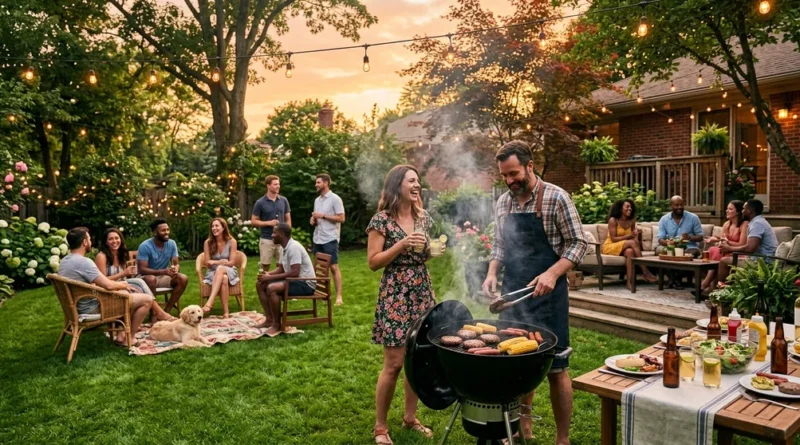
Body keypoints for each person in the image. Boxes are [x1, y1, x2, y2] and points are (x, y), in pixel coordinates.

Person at [481, 141, 587, 445]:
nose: (510, 180)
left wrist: (553, 273)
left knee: (556, 368)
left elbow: (578, 243)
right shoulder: (504, 202)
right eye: (504, 176)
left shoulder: (556, 197)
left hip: (548, 298)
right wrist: (491, 273)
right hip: (513, 292)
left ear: (530, 165)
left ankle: (562, 438)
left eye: (514, 173)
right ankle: (520, 427)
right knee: (517, 365)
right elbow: (500, 245)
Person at [366, 165, 436, 445]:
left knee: (417, 360)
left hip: (421, 290)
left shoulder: (423, 217)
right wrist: (403, 244)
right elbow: (373, 262)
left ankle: (410, 417)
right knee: (394, 364)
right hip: (396, 293)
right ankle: (380, 428)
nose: (416, 184)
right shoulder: (381, 220)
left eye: (418, 180)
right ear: (398, 185)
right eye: (411, 180)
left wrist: (430, 250)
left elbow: (424, 253)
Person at [59, 227, 174, 346]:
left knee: (129, 291)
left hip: (77, 305)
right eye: (89, 239)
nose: (91, 242)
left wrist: (123, 284)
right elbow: (107, 285)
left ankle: (121, 334)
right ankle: (130, 337)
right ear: (84, 242)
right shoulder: (84, 262)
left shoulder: (64, 261)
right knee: (146, 300)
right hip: (93, 307)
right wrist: (122, 284)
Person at [254, 223, 316, 336]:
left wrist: (271, 278)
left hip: (305, 284)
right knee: (260, 284)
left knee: (272, 288)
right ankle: (269, 319)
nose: (272, 235)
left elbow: (295, 272)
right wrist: (268, 274)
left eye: (274, 233)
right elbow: (282, 268)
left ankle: (277, 324)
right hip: (295, 281)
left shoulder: (294, 248)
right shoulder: (284, 247)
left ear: (281, 234)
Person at [714, 199, 778, 287]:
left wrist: (730, 248)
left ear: (749, 210)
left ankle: (720, 291)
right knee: (725, 259)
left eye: (743, 209)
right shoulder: (756, 222)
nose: (742, 211)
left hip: (763, 261)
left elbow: (750, 248)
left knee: (724, 261)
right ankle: (724, 290)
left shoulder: (757, 224)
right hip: (758, 258)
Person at [601, 199, 658, 290]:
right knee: (631, 243)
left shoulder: (631, 220)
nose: (630, 209)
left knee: (630, 252)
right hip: (610, 246)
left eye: (631, 207)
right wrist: (630, 236)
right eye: (627, 207)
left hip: (624, 246)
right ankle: (645, 271)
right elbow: (613, 239)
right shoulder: (613, 220)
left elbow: (633, 238)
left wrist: (636, 236)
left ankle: (629, 283)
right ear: (620, 209)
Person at [137, 219, 188, 312]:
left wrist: (175, 269)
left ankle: (166, 311)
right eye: (163, 230)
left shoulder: (172, 244)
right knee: (151, 279)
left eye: (168, 229)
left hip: (163, 276)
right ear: (155, 233)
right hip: (145, 278)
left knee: (182, 278)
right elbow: (142, 269)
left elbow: (176, 263)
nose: (166, 232)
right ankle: (154, 313)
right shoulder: (145, 246)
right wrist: (163, 271)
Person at [698, 201, 748, 294]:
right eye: (727, 208)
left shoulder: (744, 224)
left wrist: (726, 243)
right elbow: (722, 240)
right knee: (714, 249)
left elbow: (742, 243)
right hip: (726, 251)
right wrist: (716, 240)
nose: (727, 211)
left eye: (730, 209)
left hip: (738, 252)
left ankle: (705, 284)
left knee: (717, 251)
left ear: (738, 212)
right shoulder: (726, 224)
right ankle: (711, 286)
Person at [310, 173, 345, 306]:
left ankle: (339, 297)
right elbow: (316, 218)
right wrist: (313, 220)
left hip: (330, 238)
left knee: (333, 267)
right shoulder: (317, 200)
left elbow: (341, 218)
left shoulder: (335, 199)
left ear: (326, 183)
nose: (316, 184)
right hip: (318, 237)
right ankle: (322, 295)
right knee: (320, 268)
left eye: (318, 182)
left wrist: (323, 216)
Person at [656, 195, 704, 289]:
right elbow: (660, 238)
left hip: (689, 247)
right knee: (659, 250)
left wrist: (689, 237)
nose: (679, 207)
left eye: (681, 204)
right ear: (671, 206)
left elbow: (700, 236)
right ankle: (676, 280)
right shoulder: (664, 219)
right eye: (676, 205)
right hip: (671, 247)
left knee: (689, 253)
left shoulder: (693, 218)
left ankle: (673, 280)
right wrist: (668, 243)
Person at [95, 228, 153, 296]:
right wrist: (123, 273)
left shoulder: (121, 254)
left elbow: (125, 277)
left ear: (121, 240)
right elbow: (102, 281)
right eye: (110, 239)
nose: (114, 241)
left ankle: (150, 302)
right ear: (106, 242)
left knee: (140, 283)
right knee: (139, 285)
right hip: (108, 288)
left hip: (122, 284)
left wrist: (130, 273)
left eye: (117, 238)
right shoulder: (101, 256)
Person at [251, 175, 291, 270]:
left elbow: (288, 219)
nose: (278, 186)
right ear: (268, 186)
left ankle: (280, 285)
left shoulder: (284, 200)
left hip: (282, 239)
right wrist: (269, 223)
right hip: (267, 239)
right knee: (265, 267)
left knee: (282, 266)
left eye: (279, 184)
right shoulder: (260, 202)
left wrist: (288, 234)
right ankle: (264, 284)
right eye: (275, 184)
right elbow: (253, 221)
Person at [201, 217, 239, 318]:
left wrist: (217, 263)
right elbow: (207, 263)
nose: (214, 228)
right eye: (212, 226)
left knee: (221, 269)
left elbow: (231, 263)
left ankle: (210, 302)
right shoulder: (208, 242)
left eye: (217, 226)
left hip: (229, 270)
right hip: (212, 272)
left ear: (223, 228)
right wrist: (218, 262)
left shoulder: (232, 241)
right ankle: (226, 313)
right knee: (224, 279)